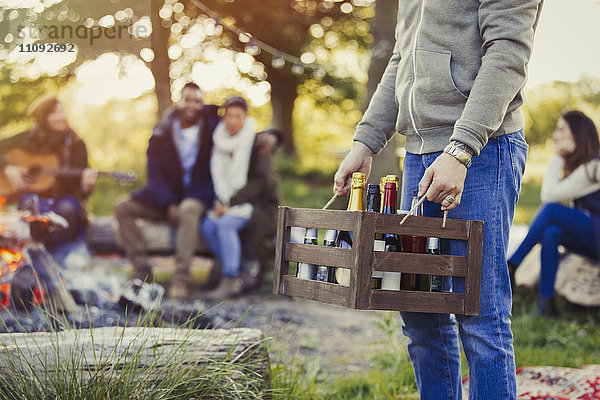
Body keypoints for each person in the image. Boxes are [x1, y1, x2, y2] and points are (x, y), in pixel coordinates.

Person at [333, 1, 543, 398]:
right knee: (419, 312)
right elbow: (401, 56)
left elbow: (508, 52)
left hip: (481, 152)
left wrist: (461, 149)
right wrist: (366, 140)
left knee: (479, 315)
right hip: (417, 154)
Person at [114, 82, 219, 299]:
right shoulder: (162, 131)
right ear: (179, 101)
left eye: (197, 100)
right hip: (167, 198)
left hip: (198, 196)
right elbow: (155, 173)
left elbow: (242, 128)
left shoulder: (212, 126)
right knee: (123, 206)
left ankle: (181, 277)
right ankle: (142, 270)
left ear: (202, 103)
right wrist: (168, 202)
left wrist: (273, 135)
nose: (192, 105)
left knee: (188, 209)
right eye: (187, 99)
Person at [508, 111, 600, 316]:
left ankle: (513, 264)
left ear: (577, 134)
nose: (555, 135)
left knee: (550, 211)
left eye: (561, 129)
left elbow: (549, 196)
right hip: (593, 235)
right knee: (551, 232)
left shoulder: (593, 168)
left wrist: (557, 159)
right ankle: (546, 303)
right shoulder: (584, 167)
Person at [0, 95, 97, 258]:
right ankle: (31, 255)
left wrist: (86, 186)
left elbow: (80, 191)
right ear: (43, 118)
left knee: (67, 208)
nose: (62, 117)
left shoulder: (76, 144)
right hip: (35, 196)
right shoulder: (27, 139)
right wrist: (7, 168)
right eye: (55, 113)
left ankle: (60, 258)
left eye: (62, 111)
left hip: (65, 197)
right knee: (30, 203)